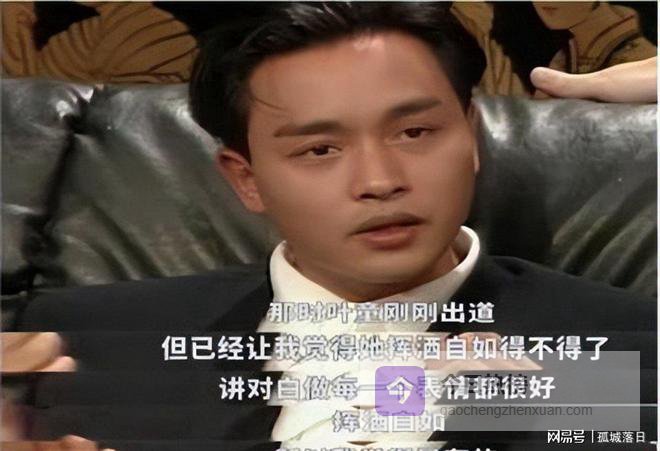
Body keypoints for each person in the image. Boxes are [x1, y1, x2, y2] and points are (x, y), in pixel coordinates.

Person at [2, 3, 655, 451]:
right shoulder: (81, 343)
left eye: (415, 132)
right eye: (319, 149)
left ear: (472, 138)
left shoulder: (631, 356)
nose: (379, 180)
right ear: (246, 178)